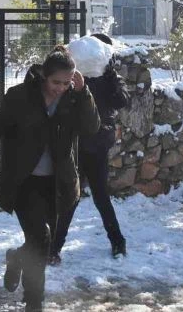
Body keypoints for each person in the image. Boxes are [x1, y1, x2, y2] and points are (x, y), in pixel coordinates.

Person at [0, 46, 100, 312]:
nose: (60, 88)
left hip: (57, 184)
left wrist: (83, 92)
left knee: (40, 244)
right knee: (40, 237)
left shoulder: (74, 99)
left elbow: (91, 127)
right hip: (23, 182)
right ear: (44, 76)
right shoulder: (20, 98)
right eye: (56, 82)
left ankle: (17, 259)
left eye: (66, 83)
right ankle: (34, 302)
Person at [49, 33, 131, 263]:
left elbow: (121, 100)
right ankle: (54, 248)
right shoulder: (74, 79)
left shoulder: (107, 79)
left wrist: (110, 75)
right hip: (76, 144)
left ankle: (117, 242)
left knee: (100, 196)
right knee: (71, 197)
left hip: (97, 146)